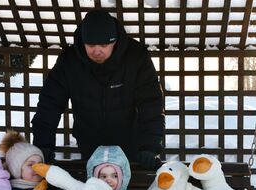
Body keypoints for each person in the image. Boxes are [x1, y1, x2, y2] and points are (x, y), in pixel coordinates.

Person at [31, 9, 165, 170]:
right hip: (89, 144)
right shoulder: (69, 61)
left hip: (130, 144)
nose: (97, 51)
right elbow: (49, 104)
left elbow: (151, 104)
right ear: (83, 41)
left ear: (115, 41)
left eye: (104, 45)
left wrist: (150, 147)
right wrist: (43, 146)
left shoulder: (136, 57)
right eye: (91, 45)